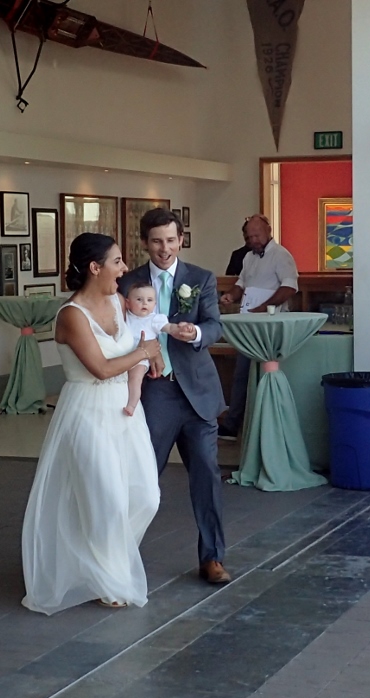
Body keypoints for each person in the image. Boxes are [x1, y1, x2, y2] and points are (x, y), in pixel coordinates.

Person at [21, 232, 161, 615]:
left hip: (125, 411)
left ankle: (99, 563)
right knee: (106, 500)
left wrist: (152, 353)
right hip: (87, 411)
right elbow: (99, 368)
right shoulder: (71, 315)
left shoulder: (118, 301)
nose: (124, 268)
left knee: (147, 496)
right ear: (95, 267)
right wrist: (141, 352)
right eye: (117, 261)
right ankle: (109, 577)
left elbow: (141, 339)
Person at [119, 207, 230, 585]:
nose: (164, 248)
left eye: (170, 240)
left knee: (207, 476)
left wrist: (195, 334)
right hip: (153, 390)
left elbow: (215, 325)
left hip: (197, 391)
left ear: (181, 239)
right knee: (144, 475)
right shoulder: (127, 281)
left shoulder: (200, 278)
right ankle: (121, 553)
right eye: (156, 241)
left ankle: (212, 557)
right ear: (145, 243)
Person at [218, 214, 299, 440]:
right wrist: (230, 296)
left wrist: (264, 307)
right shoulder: (248, 258)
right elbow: (241, 284)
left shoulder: (281, 256)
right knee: (241, 373)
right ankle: (234, 423)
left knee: (265, 374)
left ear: (268, 231)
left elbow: (290, 288)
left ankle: (265, 427)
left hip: (270, 325)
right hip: (249, 322)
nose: (253, 240)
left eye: (257, 235)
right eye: (249, 236)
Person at [124, 281, 190, 416]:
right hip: (124, 354)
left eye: (149, 300)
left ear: (154, 304)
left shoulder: (154, 319)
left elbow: (169, 328)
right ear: (127, 302)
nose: (144, 303)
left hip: (141, 357)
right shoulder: (126, 317)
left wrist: (180, 328)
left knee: (135, 379)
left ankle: (131, 405)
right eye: (139, 300)